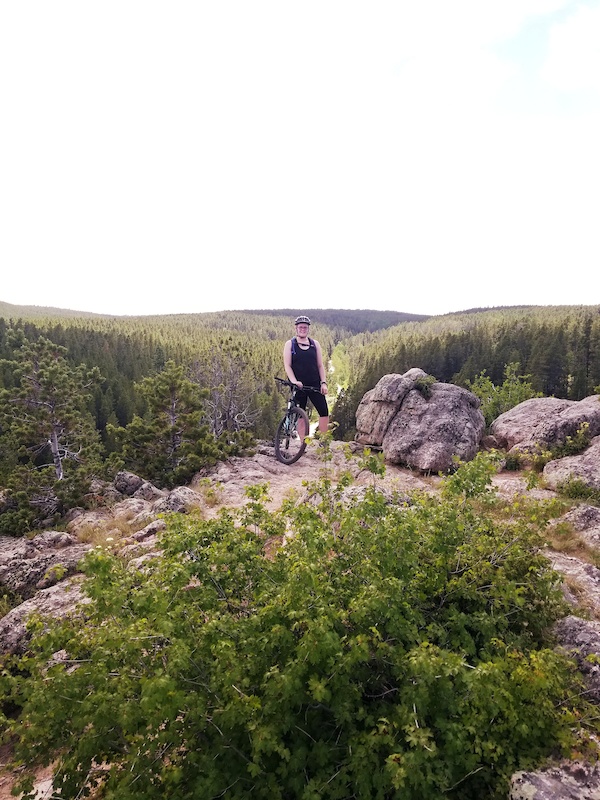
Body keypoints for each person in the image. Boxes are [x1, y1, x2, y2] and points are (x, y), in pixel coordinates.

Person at [283, 315, 329, 438]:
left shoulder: (315, 344)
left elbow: (320, 365)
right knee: (301, 413)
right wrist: (294, 381)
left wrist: (323, 382)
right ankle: (302, 443)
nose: (303, 329)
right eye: (300, 327)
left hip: (314, 383)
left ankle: (324, 441)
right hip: (298, 385)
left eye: (305, 327)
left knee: (324, 411)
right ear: (296, 329)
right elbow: (287, 365)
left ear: (308, 329)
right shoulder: (290, 344)